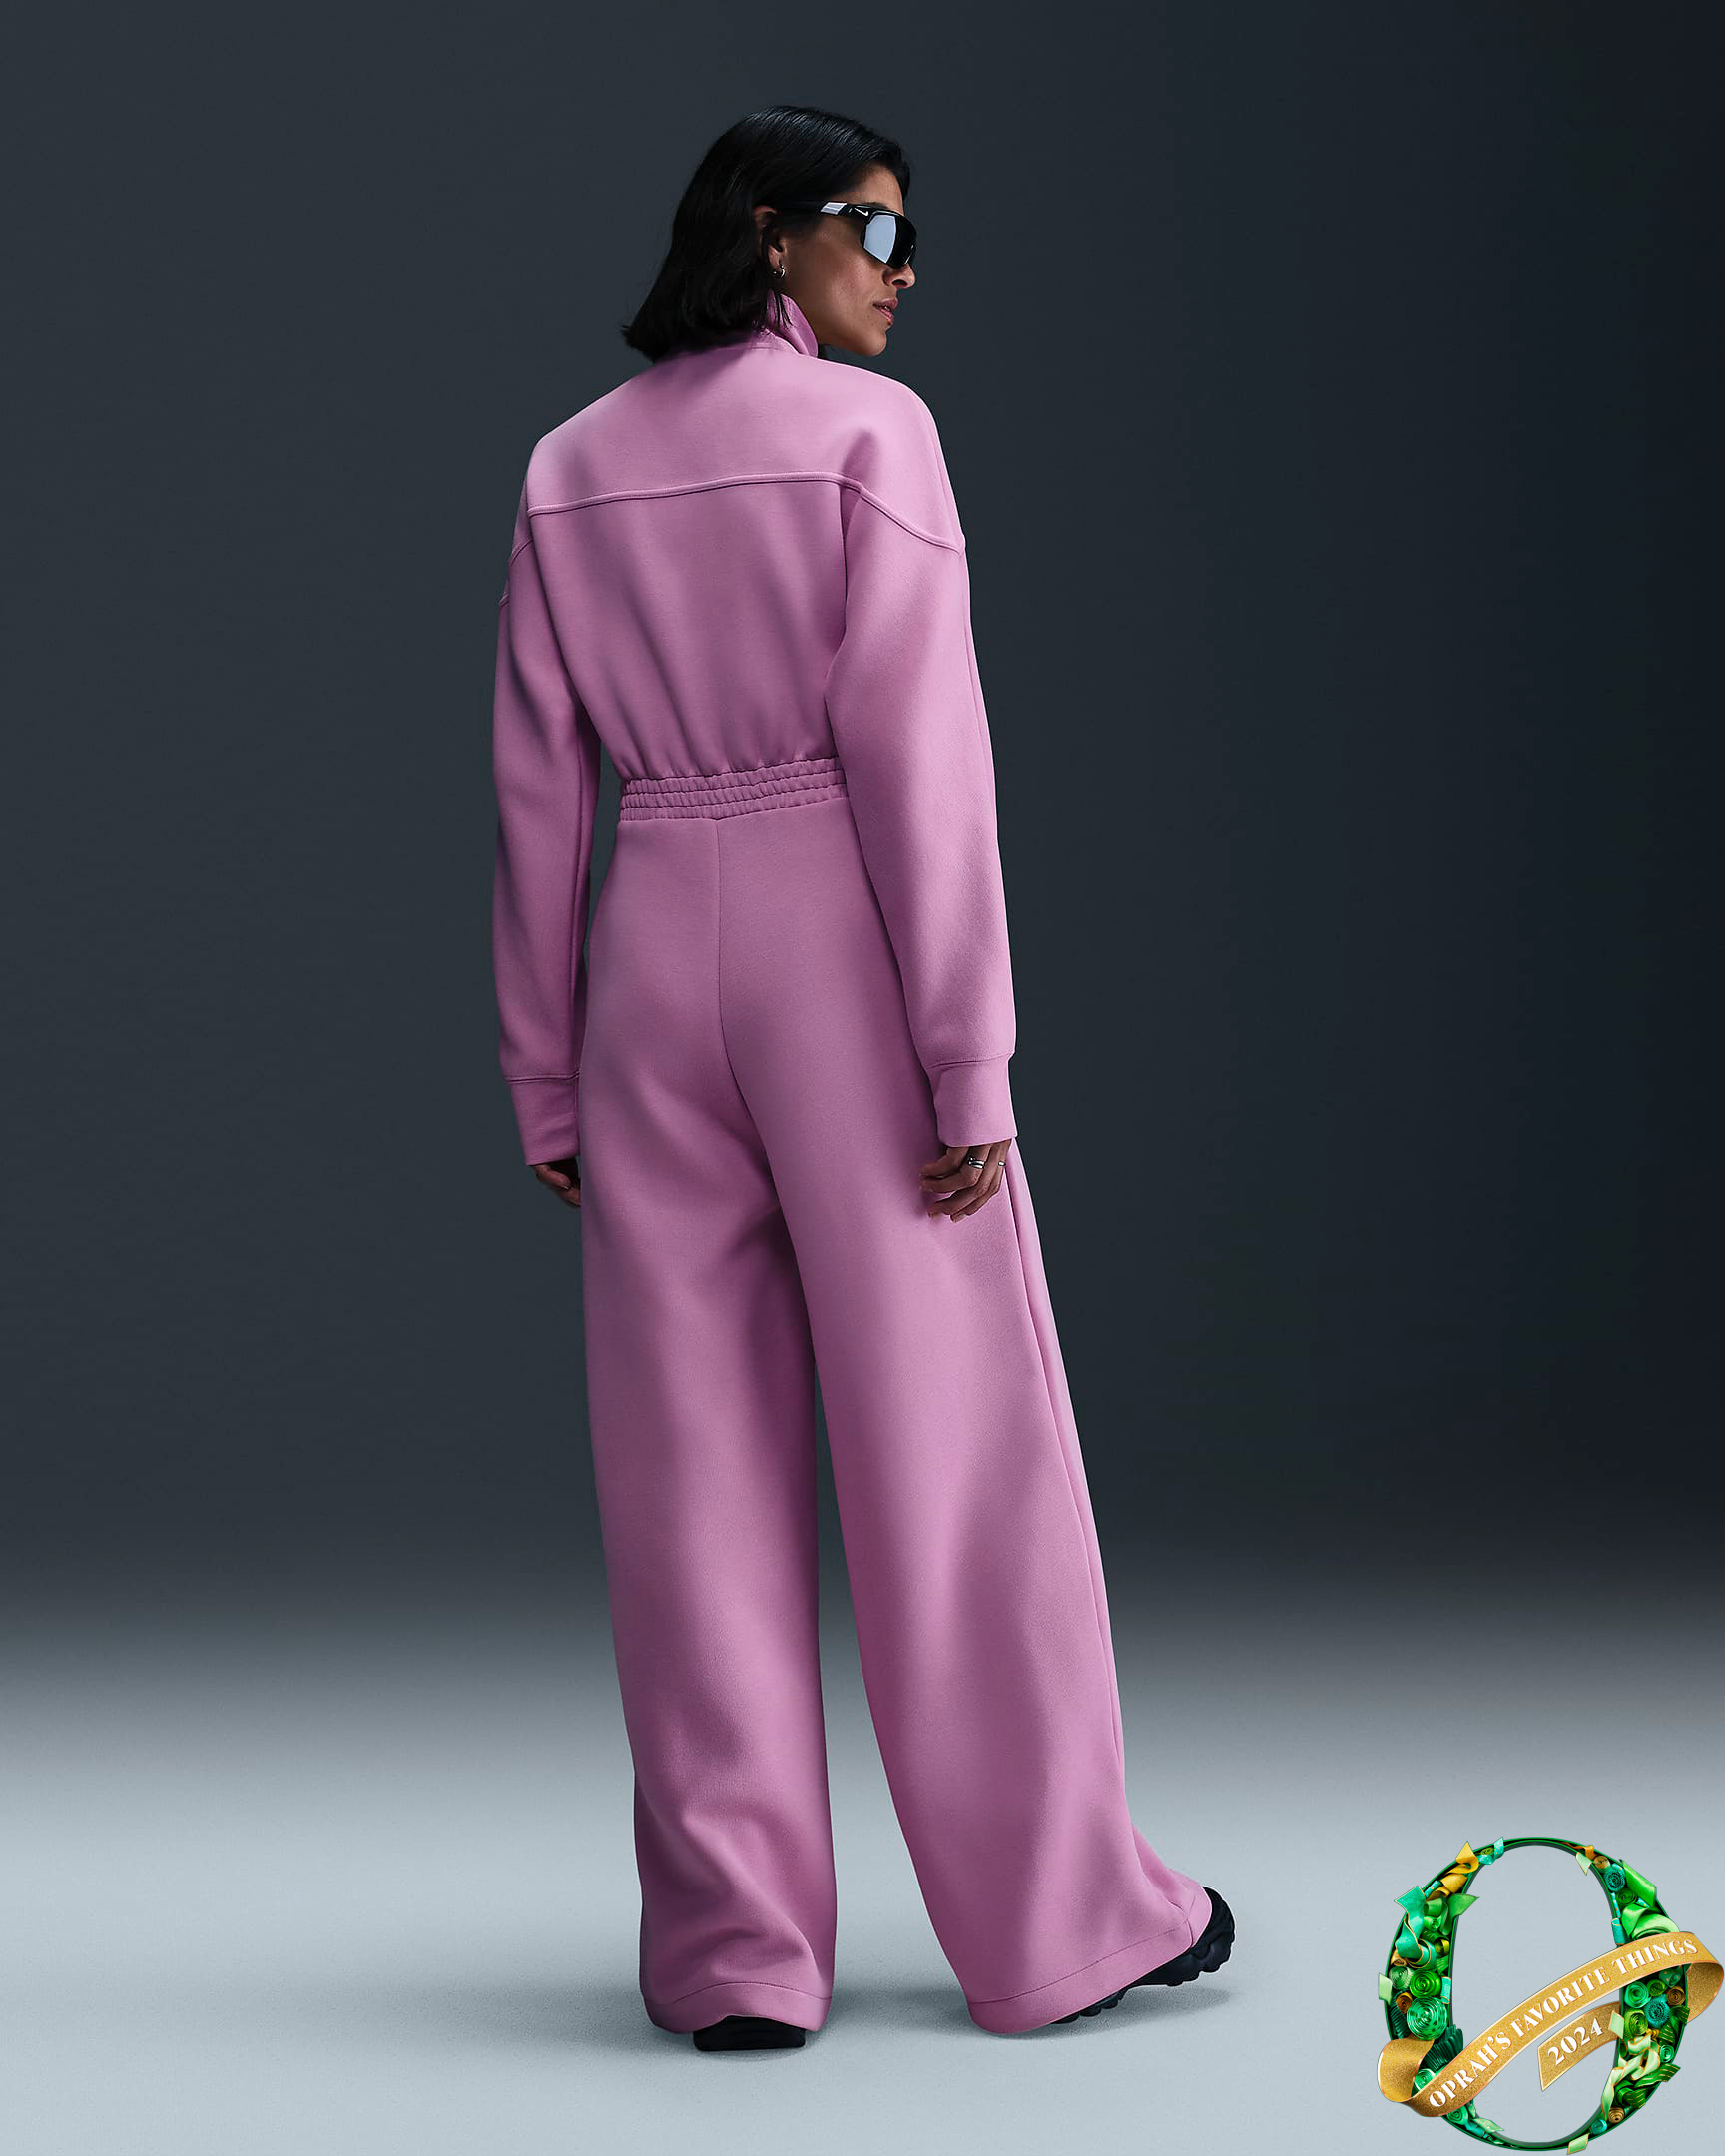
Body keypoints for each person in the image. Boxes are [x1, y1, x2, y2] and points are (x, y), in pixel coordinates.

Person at [490, 104, 1234, 2050]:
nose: (907, 273)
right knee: (957, 1451)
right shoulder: (867, 439)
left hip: (649, 959)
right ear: (771, 232)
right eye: (878, 232)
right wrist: (968, 1055)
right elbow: (924, 757)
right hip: (839, 957)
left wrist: (546, 1077)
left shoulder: (569, 465)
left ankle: (734, 1955)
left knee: (688, 1475)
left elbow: (533, 797)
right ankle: (1060, 1922)